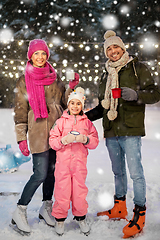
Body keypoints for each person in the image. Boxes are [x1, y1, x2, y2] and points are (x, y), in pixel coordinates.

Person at [85, 30, 160, 238]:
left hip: (131, 129)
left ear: (123, 47)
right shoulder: (105, 74)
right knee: (118, 172)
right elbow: (103, 106)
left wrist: (136, 95)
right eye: (108, 48)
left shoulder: (137, 68)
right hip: (111, 130)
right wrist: (85, 117)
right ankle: (119, 207)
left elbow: (155, 93)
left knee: (136, 173)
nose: (113, 51)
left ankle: (139, 213)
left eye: (115, 47)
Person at [12, 39, 79, 235]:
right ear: (30, 56)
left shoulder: (54, 76)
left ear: (47, 55)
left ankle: (46, 206)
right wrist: (21, 137)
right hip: (38, 131)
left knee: (52, 172)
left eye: (43, 54)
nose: (40, 57)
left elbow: (65, 103)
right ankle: (20, 210)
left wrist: (71, 87)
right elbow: (20, 110)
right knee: (39, 173)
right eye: (36, 54)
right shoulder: (24, 80)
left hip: (57, 131)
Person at [49, 87, 99, 236]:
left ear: (82, 106)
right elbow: (53, 141)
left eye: (78, 104)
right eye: (73, 103)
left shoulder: (87, 123)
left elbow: (95, 141)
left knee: (79, 192)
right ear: (68, 105)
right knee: (62, 191)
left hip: (79, 165)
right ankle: (59, 219)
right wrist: (64, 140)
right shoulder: (60, 122)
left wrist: (86, 139)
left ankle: (81, 217)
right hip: (63, 165)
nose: (75, 106)